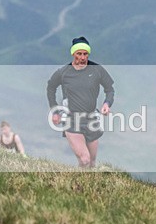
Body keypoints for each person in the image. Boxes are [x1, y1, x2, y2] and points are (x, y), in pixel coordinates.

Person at [46, 36, 115, 168]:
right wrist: (54, 111)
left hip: (91, 118)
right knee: (84, 160)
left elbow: (109, 89)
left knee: (91, 163)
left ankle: (80, 180)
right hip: (71, 119)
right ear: (73, 54)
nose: (83, 57)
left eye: (85, 54)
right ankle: (77, 181)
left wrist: (107, 103)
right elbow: (51, 88)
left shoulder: (97, 70)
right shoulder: (64, 72)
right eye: (79, 54)